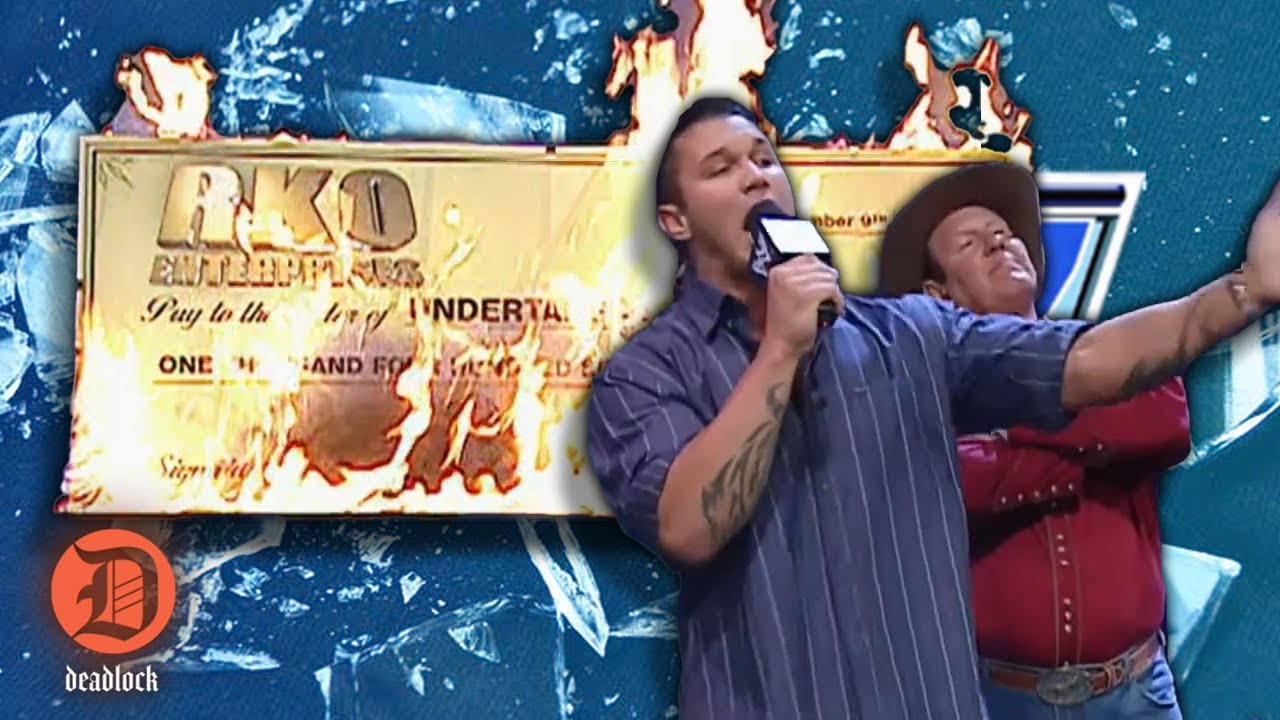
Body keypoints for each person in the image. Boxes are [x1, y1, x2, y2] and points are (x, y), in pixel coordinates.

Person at [585, 95, 1277, 720]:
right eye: (721, 168)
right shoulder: (642, 377)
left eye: (765, 160)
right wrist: (780, 351)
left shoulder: (910, 333)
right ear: (675, 220)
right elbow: (689, 528)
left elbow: (1093, 362)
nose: (755, 178)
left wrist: (1247, 291)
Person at [876, 162, 1192, 719]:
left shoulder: (1104, 347)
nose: (999, 242)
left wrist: (1009, 423)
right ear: (936, 292)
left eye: (1004, 233)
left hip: (1137, 694)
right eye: (970, 243)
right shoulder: (919, 395)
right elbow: (958, 483)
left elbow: (1165, 423)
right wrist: (1090, 448)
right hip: (1006, 702)